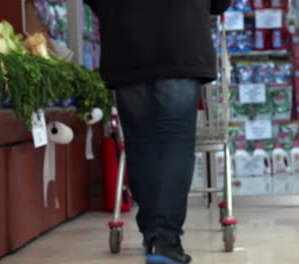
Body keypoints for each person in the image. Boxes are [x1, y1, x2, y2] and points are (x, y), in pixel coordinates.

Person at [84, 1, 231, 263]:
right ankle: (165, 240)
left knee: (140, 144)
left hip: (126, 44)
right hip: (181, 42)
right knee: (174, 142)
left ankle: (153, 234)